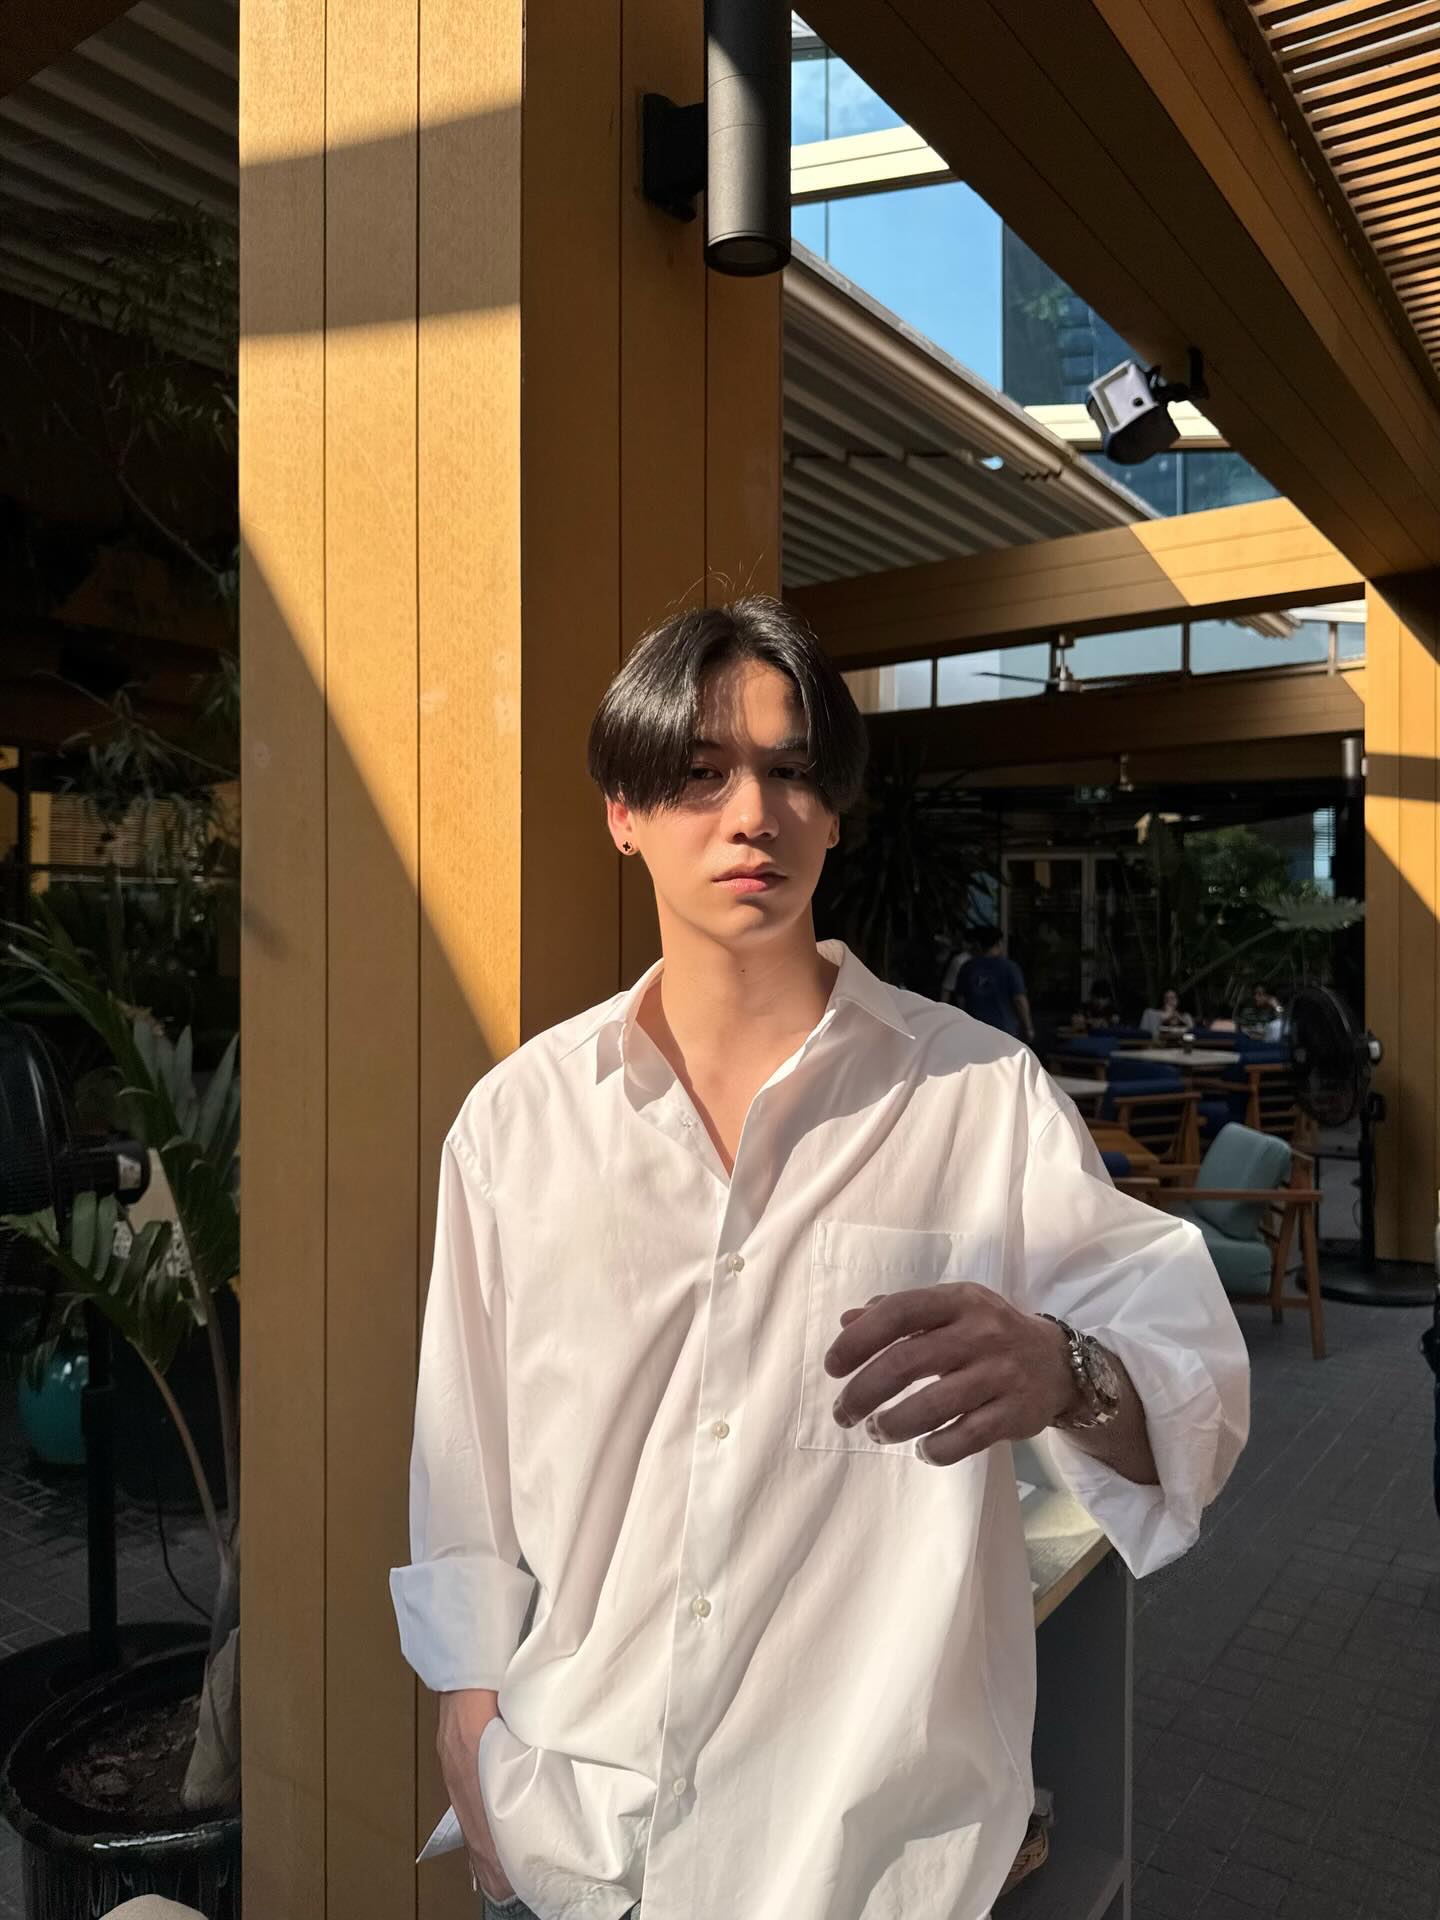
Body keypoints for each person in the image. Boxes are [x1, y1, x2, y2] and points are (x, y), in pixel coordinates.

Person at [389, 597, 1250, 1920]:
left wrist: (1064, 1369)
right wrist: (469, 1721)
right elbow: (466, 1465)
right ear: (623, 812)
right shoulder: (518, 1125)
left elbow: (1195, 1391)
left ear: (835, 814)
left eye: (792, 773)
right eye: (700, 773)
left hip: (870, 1860)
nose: (755, 814)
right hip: (582, 1838)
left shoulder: (977, 1099)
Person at [955, 925, 1035, 1045]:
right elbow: (1019, 1000)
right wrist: (1028, 1027)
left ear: (978, 944)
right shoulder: (1009, 968)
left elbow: (961, 1000)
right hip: (1005, 1030)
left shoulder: (967, 968)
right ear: (999, 943)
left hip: (975, 1029)